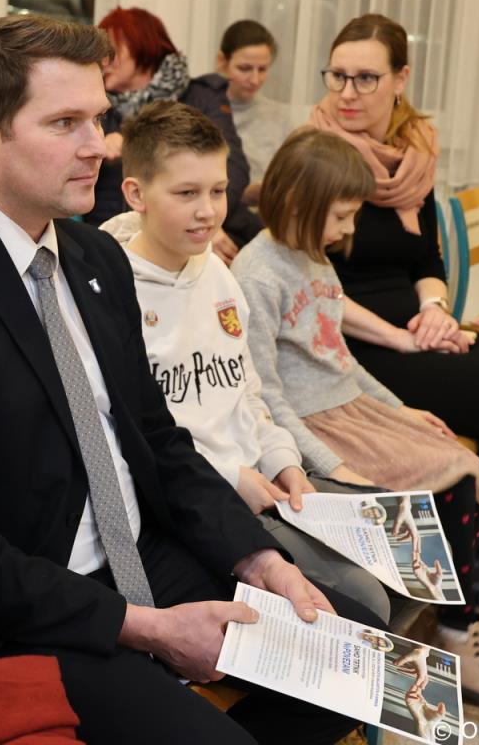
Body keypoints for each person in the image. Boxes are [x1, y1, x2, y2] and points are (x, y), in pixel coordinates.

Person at [0, 13, 385, 745]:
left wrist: (255, 557)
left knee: (359, 657)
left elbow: (158, 437)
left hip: (140, 551)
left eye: (98, 117)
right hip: (29, 606)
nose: (99, 143)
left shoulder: (94, 259)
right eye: (65, 122)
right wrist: (146, 628)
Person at [231, 127, 479, 709]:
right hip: (314, 427)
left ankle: (456, 612)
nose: (349, 229)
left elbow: (339, 357)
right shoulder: (257, 273)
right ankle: (458, 628)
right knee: (451, 481)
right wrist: (329, 463)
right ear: (299, 203)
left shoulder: (314, 258)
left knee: (454, 456)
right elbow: (266, 395)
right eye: (342, 216)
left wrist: (401, 411)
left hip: (350, 408)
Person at [312, 13, 479, 632]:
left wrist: (435, 310)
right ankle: (474, 556)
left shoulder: (414, 156)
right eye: (337, 76)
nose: (347, 93)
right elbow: (309, 287)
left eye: (365, 78)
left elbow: (427, 260)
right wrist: (405, 334)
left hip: (415, 325)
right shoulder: (316, 155)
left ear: (400, 79)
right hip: (356, 343)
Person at [98, 99, 389, 622]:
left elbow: (247, 390)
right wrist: (232, 476)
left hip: (261, 476)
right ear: (136, 194)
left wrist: (284, 460)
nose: (208, 211)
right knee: (364, 600)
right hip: (200, 496)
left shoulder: (218, 274)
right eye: (186, 193)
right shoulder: (113, 292)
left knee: (386, 556)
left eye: (217, 190)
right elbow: (137, 439)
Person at [93, 6, 260, 261]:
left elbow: (233, 165)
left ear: (142, 46)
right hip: (115, 243)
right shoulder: (97, 108)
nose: (104, 61)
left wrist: (204, 222)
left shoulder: (201, 96)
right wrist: (97, 152)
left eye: (113, 51)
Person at [213, 19, 292, 204]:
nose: (255, 80)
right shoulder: (205, 110)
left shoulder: (279, 116)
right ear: (222, 61)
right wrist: (240, 194)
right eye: (245, 68)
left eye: (262, 69)